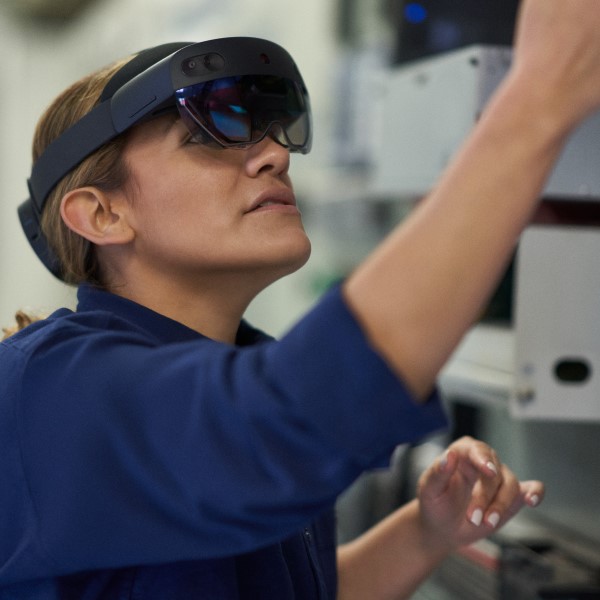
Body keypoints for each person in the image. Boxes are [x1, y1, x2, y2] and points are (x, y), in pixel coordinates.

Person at [4, 0, 600, 597]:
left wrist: (427, 533)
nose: (277, 155)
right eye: (211, 133)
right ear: (102, 214)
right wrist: (539, 97)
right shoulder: (47, 385)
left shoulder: (232, 387)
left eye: (272, 130)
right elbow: (289, 415)